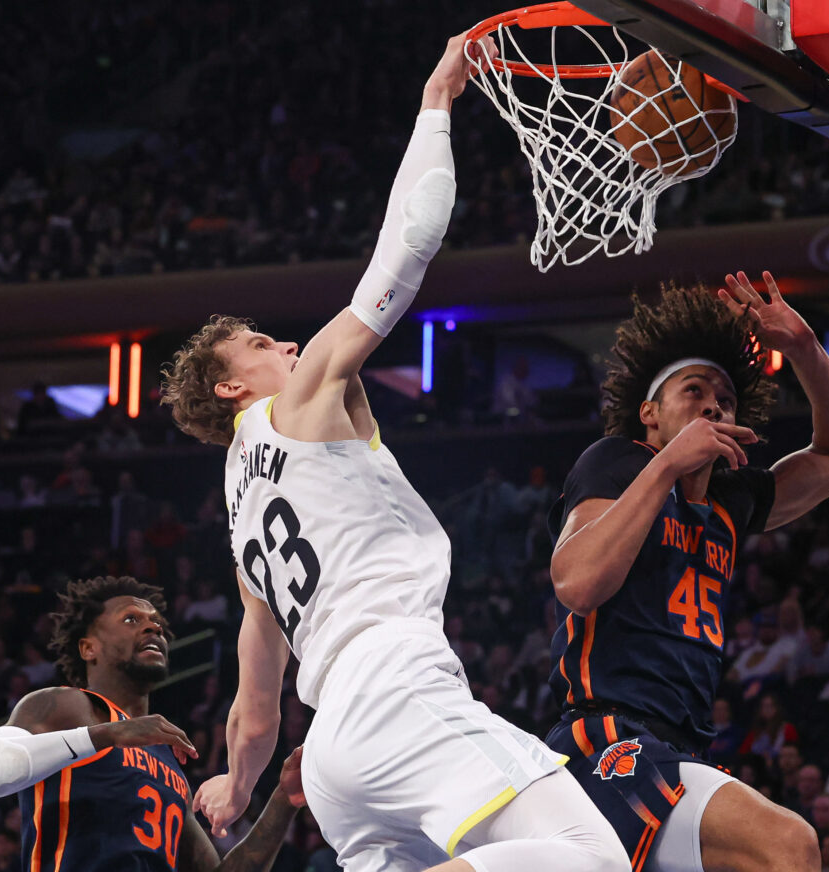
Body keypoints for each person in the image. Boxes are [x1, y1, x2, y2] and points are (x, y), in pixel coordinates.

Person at [159, 34, 628, 872]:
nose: (289, 342)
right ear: (234, 391)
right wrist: (437, 106)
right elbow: (404, 253)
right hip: (395, 687)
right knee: (585, 853)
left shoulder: (241, 533)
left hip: (336, 752)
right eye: (263, 342)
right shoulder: (296, 404)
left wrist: (236, 783)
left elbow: (255, 706)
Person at [544, 272, 829, 872]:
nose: (714, 405)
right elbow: (577, 583)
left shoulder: (729, 501)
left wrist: (803, 348)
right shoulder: (619, 462)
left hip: (681, 745)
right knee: (788, 845)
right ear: (649, 412)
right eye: (693, 391)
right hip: (606, 736)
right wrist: (669, 463)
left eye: (724, 399)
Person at [0, 576, 304, 871]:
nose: (154, 626)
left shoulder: (167, 762)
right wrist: (110, 733)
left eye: (158, 624)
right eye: (131, 619)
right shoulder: (66, 706)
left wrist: (283, 801)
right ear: (89, 648)